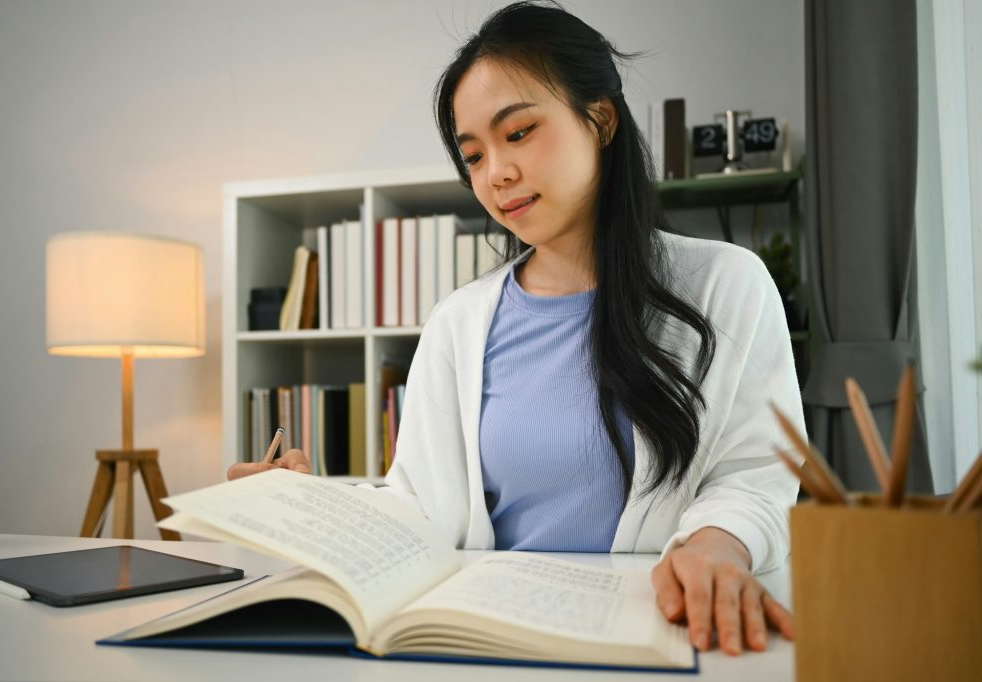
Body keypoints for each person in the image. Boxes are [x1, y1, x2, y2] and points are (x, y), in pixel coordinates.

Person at [230, 0, 804, 656]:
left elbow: (756, 472)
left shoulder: (726, 284)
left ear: (602, 118)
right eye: (472, 156)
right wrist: (309, 508)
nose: (495, 174)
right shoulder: (458, 324)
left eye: (520, 133)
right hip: (486, 640)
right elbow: (421, 507)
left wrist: (715, 544)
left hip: (665, 634)